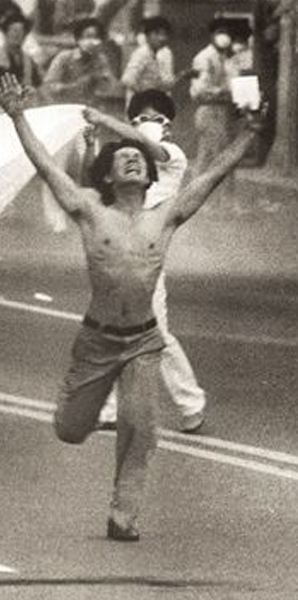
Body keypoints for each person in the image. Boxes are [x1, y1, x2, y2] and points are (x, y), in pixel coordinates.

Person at [0, 72, 262, 541]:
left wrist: (249, 135)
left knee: (141, 429)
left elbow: (214, 176)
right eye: (123, 158)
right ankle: (77, 412)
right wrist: (17, 116)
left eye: (138, 158)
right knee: (70, 430)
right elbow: (45, 166)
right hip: (96, 340)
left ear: (148, 173)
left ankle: (124, 515)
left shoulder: (168, 215)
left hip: (142, 340)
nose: (133, 161)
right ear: (109, 175)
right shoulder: (87, 210)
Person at [80, 90, 207, 433]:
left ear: (167, 127)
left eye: (157, 119)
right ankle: (108, 410)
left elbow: (145, 144)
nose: (148, 126)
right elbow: (89, 188)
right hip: (112, 257)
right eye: (141, 118)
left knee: (155, 333)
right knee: (109, 330)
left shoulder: (172, 157)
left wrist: (106, 120)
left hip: (148, 259)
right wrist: (92, 146)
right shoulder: (121, 160)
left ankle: (191, 403)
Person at [190, 17, 238, 176]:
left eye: (227, 33)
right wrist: (223, 91)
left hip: (222, 111)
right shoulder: (203, 58)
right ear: (212, 35)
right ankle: (213, 196)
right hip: (209, 109)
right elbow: (199, 89)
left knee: (208, 156)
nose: (224, 36)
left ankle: (200, 194)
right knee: (217, 157)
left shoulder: (226, 58)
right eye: (220, 32)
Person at [43, 17, 121, 110]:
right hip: (62, 107)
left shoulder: (100, 60)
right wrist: (77, 85)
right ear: (78, 39)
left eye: (96, 38)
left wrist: (103, 79)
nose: (91, 42)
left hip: (88, 109)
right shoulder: (64, 58)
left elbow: (109, 87)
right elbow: (49, 88)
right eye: (87, 37)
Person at [121, 16, 175, 104]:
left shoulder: (166, 53)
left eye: (165, 34)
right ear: (147, 36)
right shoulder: (141, 53)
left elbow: (167, 81)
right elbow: (127, 79)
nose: (161, 38)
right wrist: (144, 94)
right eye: (157, 34)